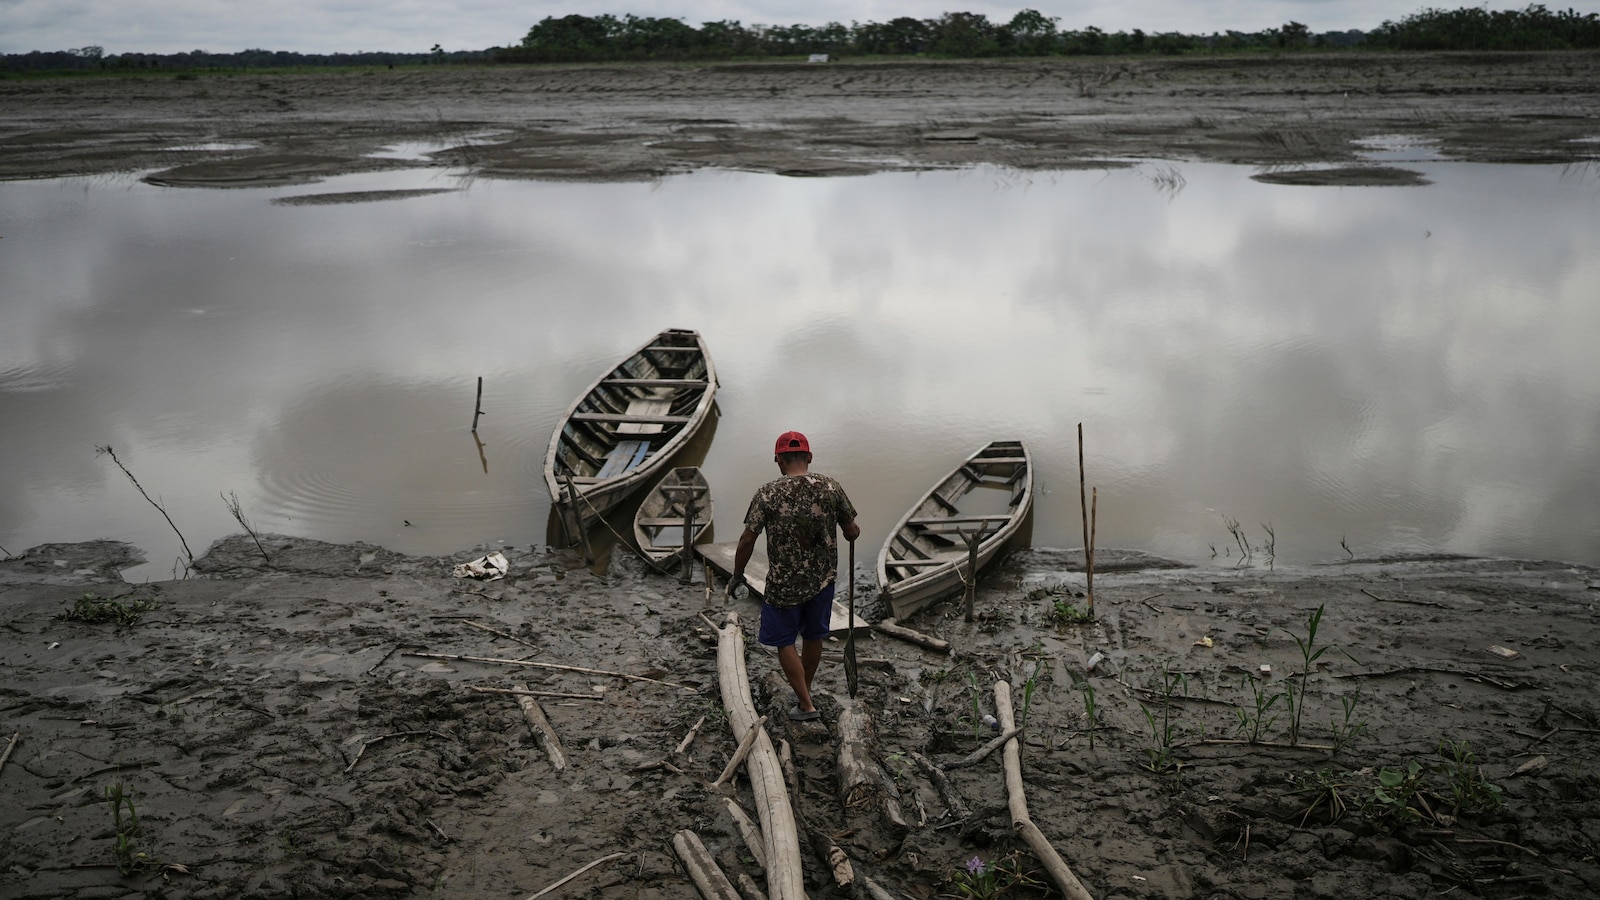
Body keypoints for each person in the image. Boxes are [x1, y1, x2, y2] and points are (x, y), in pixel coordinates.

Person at [730, 431, 860, 721]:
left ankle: (806, 704)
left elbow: (747, 540)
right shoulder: (831, 487)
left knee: (784, 641)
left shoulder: (767, 493)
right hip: (822, 581)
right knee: (814, 636)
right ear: (809, 457)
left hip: (783, 585)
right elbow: (852, 530)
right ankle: (805, 690)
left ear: (778, 460)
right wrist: (846, 531)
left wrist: (738, 574)